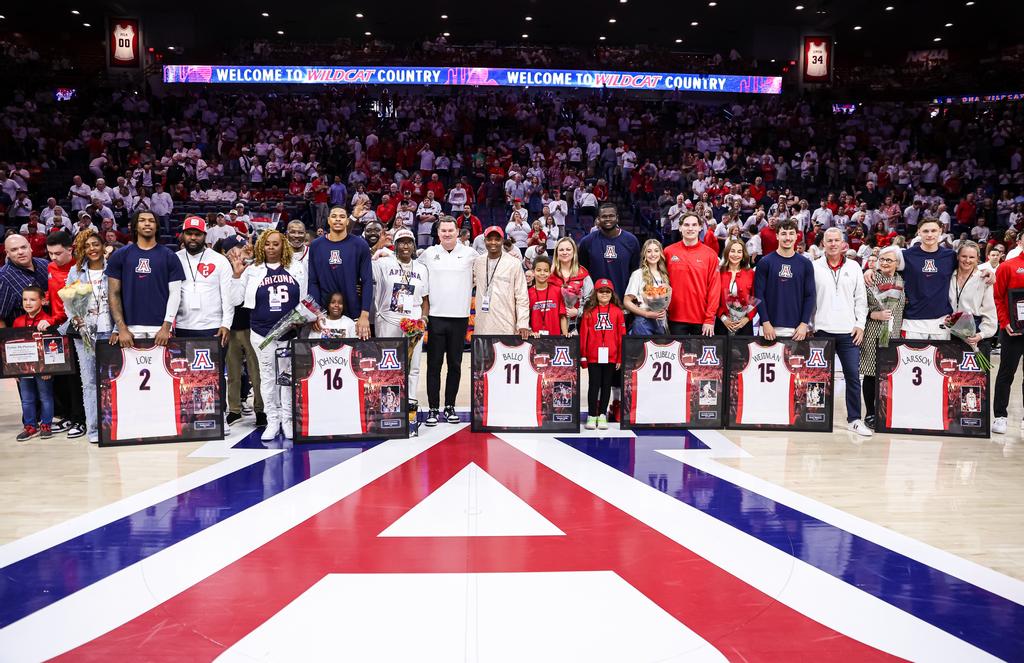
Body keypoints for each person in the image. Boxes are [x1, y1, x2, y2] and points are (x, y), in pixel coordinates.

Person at [229, 229, 307, 440]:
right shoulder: (252, 269)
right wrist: (236, 275)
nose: (271, 247)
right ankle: (272, 420)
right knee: (267, 377)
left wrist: (299, 320)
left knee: (287, 379)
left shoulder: (296, 267)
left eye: (276, 244)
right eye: (267, 244)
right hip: (261, 333)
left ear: (284, 246)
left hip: (288, 332)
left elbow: (303, 301)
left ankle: (287, 420)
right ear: (262, 246)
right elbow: (236, 300)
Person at [812, 228, 871, 436]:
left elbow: (861, 299)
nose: (833, 244)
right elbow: (809, 299)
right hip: (821, 331)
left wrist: (860, 325)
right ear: (823, 243)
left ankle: (854, 419)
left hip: (848, 332)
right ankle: (815, 417)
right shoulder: (814, 267)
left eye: (837, 240)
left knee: (853, 377)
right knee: (818, 378)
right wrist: (810, 325)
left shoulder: (854, 267)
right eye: (829, 240)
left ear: (843, 243)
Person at [176, 216, 234, 427]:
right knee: (188, 376)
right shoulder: (175, 259)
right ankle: (193, 417)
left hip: (212, 326)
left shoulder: (219, 260)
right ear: (183, 235)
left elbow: (227, 295)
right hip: (183, 326)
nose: (193, 237)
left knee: (214, 376)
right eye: (189, 233)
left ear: (204, 236)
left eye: (197, 234)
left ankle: (219, 417)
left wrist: (226, 323)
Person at [417, 216, 476, 425]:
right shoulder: (428, 254)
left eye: (451, 230)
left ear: (458, 231)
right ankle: (433, 408)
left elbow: (486, 268)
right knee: (433, 365)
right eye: (443, 231)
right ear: (438, 232)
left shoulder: (469, 254)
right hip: (435, 317)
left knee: (455, 364)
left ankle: (449, 406)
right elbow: (411, 270)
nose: (447, 234)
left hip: (459, 318)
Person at [62, 230, 113, 443]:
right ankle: (94, 429)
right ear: (82, 250)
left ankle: (113, 426)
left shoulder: (113, 269)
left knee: (112, 381)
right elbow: (69, 304)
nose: (92, 249)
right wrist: (76, 319)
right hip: (85, 334)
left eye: (95, 244)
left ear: (102, 246)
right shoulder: (76, 272)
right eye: (87, 246)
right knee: (90, 383)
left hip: (110, 332)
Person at [106, 212, 184, 347]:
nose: (147, 223)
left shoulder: (169, 256)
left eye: (151, 221)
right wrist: (121, 328)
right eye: (142, 220)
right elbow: (113, 293)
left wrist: (166, 327)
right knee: (131, 369)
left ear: (157, 226)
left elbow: (175, 294)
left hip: (160, 328)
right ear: (135, 226)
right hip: (130, 328)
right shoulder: (120, 255)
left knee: (162, 369)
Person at [372, 228, 430, 402]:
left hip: (414, 322)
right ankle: (390, 404)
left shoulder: (421, 268)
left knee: (413, 365)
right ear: (395, 246)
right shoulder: (383, 264)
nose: (406, 245)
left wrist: (424, 319)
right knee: (389, 364)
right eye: (402, 242)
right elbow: (363, 266)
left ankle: (410, 403)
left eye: (409, 242)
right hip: (389, 319)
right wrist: (376, 247)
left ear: (414, 245)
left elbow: (425, 299)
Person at [219, 236, 266, 429]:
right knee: (233, 373)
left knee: (257, 372)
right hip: (231, 327)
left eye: (239, 248)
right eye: (233, 250)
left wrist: (253, 257)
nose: (237, 252)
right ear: (226, 253)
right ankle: (234, 410)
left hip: (252, 325)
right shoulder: (221, 269)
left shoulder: (255, 267)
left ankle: (260, 410)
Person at [45, 231, 87, 438]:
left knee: (77, 377)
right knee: (61, 376)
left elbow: (72, 305)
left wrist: (53, 319)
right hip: (55, 329)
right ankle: (70, 415)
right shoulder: (50, 268)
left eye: (58, 253)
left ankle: (81, 419)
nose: (54, 258)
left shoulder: (79, 269)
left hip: (74, 327)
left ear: (70, 249)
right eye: (50, 253)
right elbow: (54, 297)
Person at [308, 205, 372, 339]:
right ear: (328, 220)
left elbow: (367, 281)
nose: (338, 220)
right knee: (326, 355)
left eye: (342, 217)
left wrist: (364, 315)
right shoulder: (316, 245)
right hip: (324, 314)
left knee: (353, 356)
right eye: (334, 216)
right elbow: (313, 281)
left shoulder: (360, 245)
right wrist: (315, 313)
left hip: (353, 311)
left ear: (348, 221)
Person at [860, 246, 905, 430]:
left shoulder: (901, 281)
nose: (885, 263)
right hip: (872, 330)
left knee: (888, 375)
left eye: (889, 260)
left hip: (893, 332)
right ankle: (870, 413)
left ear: (898, 263)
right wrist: (872, 315)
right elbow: (858, 305)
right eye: (882, 259)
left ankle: (885, 411)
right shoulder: (869, 279)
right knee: (871, 373)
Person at [754, 218, 815, 340]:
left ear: (797, 236)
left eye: (791, 233)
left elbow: (810, 296)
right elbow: (759, 295)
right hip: (769, 328)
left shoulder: (805, 264)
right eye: (783, 234)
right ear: (777, 236)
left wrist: (804, 324)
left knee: (794, 360)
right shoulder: (765, 262)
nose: (788, 238)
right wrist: (765, 322)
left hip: (796, 330)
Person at [899, 218, 958, 339]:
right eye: (925, 231)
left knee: (940, 358)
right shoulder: (906, 255)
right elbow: (885, 268)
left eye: (933, 230)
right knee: (913, 358)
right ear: (919, 232)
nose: (930, 234)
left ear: (940, 231)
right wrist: (871, 270)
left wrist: (987, 271)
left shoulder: (950, 256)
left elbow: (969, 271)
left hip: (941, 320)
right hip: (912, 321)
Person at [580, 279, 626, 430]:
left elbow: (621, 336)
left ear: (612, 294)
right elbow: (584, 335)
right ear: (596, 293)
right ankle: (592, 415)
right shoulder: (589, 312)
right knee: (594, 385)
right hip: (593, 355)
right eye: (601, 291)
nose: (604, 294)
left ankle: (602, 415)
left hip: (611, 356)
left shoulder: (618, 312)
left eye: (607, 291)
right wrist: (583, 355)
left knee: (606, 385)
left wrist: (620, 356)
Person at [663, 213, 720, 336]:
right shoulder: (668, 252)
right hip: (674, 318)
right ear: (680, 228)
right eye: (686, 225)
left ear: (700, 227)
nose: (690, 228)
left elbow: (714, 289)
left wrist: (710, 318)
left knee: (698, 355)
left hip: (701, 319)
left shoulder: (710, 255)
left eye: (694, 225)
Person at [12, 286, 56, 440]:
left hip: (43, 369)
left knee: (45, 396)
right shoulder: (17, 322)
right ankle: (30, 426)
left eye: (32, 299)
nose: (28, 303)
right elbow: (13, 347)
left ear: (43, 301)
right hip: (24, 369)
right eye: (25, 299)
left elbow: (53, 347)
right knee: (27, 398)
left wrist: (49, 368)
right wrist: (15, 370)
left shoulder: (47, 321)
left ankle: (46, 424)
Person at [472, 226, 530, 337]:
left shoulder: (514, 263)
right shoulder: (478, 262)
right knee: (484, 354)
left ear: (502, 241)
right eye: (489, 239)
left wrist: (523, 323)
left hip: (505, 323)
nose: (493, 242)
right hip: (482, 323)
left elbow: (522, 296)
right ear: (484, 241)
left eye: (497, 239)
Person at [578, 203, 640, 299]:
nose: (608, 219)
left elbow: (635, 272)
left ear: (617, 218)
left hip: (623, 300)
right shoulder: (587, 242)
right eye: (604, 216)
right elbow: (583, 272)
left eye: (611, 216)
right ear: (598, 219)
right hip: (595, 301)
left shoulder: (631, 241)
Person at [949, 241, 997, 357]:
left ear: (977, 259)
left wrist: (981, 335)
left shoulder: (983, 279)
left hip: (975, 333)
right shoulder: (949, 276)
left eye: (972, 257)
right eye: (964, 256)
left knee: (977, 374)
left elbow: (989, 310)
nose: (967, 260)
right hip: (949, 332)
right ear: (957, 256)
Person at [0, 235, 50, 327]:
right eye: (14, 250)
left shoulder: (45, 264)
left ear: (30, 247)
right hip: (23, 335)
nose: (20, 252)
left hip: (54, 328)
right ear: (7, 253)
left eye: (23, 247)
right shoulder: (3, 278)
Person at [624, 239, 670, 335]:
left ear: (661, 253)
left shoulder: (664, 275)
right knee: (643, 350)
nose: (653, 254)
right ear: (644, 254)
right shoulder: (638, 274)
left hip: (661, 322)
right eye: (649, 251)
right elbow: (627, 301)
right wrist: (646, 314)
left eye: (656, 251)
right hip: (643, 322)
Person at [549, 237, 594, 335]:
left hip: (578, 325)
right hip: (553, 324)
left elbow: (591, 300)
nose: (565, 252)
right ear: (556, 253)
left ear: (574, 252)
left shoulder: (583, 274)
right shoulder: (549, 275)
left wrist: (578, 312)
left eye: (568, 249)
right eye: (561, 250)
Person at [716, 238, 757, 336]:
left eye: (739, 252)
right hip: (722, 324)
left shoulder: (751, 273)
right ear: (727, 253)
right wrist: (724, 318)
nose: (735, 255)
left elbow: (755, 298)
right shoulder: (719, 273)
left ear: (743, 255)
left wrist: (746, 319)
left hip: (745, 325)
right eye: (732, 251)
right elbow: (714, 298)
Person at [528, 256, 567, 337]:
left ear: (550, 273)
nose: (542, 273)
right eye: (538, 270)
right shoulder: (528, 293)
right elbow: (526, 318)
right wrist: (530, 332)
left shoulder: (558, 291)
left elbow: (562, 316)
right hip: (536, 338)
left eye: (546, 271)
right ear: (533, 272)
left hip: (555, 338)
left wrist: (565, 334)